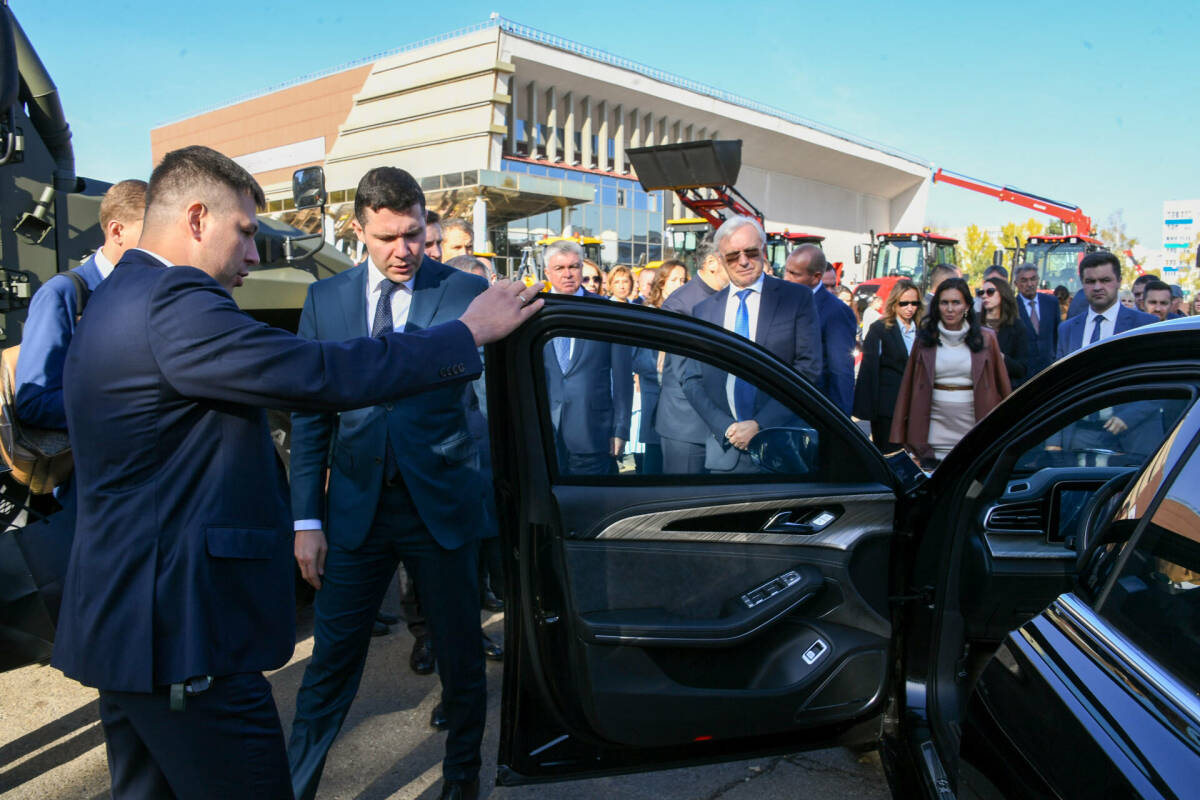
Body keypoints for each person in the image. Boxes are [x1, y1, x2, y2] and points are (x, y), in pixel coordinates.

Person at [53, 146, 542, 800]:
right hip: (182, 638)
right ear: (197, 219)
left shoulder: (119, 297)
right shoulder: (176, 304)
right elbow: (321, 375)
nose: (255, 257)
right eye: (247, 234)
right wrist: (466, 336)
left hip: (134, 631)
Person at [288, 165, 512, 800]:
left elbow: (493, 403)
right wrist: (307, 521)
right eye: (386, 238)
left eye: (413, 235)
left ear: (426, 225)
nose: (403, 251)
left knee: (463, 660)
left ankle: (462, 785)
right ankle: (297, 787)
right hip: (356, 513)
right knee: (330, 664)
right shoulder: (324, 302)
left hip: (441, 508)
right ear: (358, 229)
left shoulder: (464, 292)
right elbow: (310, 420)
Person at [682, 216, 823, 473]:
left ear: (764, 251)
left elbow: (808, 370)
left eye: (751, 252)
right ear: (722, 259)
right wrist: (725, 427)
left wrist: (760, 424)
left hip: (783, 449)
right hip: (725, 452)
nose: (743, 261)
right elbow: (691, 379)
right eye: (733, 256)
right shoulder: (704, 311)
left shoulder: (796, 299)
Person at [16, 179, 146, 428]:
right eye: (151, 231)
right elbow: (34, 402)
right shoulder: (62, 294)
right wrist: (128, 406)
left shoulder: (155, 290)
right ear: (117, 231)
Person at [890, 277, 1011, 464]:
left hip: (974, 429)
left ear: (967, 307)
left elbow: (1003, 386)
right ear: (937, 306)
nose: (950, 308)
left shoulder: (987, 339)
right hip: (932, 431)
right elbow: (907, 387)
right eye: (944, 302)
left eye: (956, 302)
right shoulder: (924, 340)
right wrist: (901, 432)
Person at [543, 239, 633, 475]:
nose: (568, 274)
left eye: (573, 267)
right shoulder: (534, 311)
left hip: (593, 431)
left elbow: (623, 378)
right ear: (547, 272)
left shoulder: (607, 311)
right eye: (560, 268)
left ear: (581, 268)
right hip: (544, 430)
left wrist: (621, 429)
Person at [654, 246, 729, 473]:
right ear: (711, 263)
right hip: (688, 426)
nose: (740, 265)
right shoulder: (681, 304)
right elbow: (685, 373)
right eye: (732, 258)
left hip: (722, 425)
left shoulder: (727, 297)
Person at [783, 244, 856, 413]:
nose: (786, 278)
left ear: (816, 277)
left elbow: (840, 372)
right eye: (786, 271)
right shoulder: (786, 301)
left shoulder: (835, 312)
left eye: (794, 274)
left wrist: (839, 422)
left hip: (815, 409)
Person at [853, 279, 921, 450]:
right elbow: (869, 370)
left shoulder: (924, 330)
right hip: (888, 407)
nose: (909, 307)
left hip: (917, 405)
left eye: (914, 303)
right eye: (904, 303)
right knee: (889, 455)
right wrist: (867, 408)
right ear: (894, 303)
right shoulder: (880, 329)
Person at [1056, 252, 1156, 359]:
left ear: (1119, 282)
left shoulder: (1145, 325)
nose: (1097, 287)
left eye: (1105, 280)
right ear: (1082, 283)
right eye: (1090, 281)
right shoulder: (1067, 329)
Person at [980, 276, 1038, 388]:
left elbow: (1021, 369)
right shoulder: (975, 324)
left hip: (1005, 389)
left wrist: (1000, 357)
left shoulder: (1017, 327)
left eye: (990, 292)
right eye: (981, 292)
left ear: (1002, 294)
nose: (984, 296)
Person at [1013, 262, 1060, 374]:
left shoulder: (1051, 302)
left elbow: (1057, 334)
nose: (1030, 284)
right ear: (1016, 283)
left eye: (1033, 279)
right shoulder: (1011, 307)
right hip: (1024, 374)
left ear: (1038, 280)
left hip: (1050, 369)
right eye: (1024, 280)